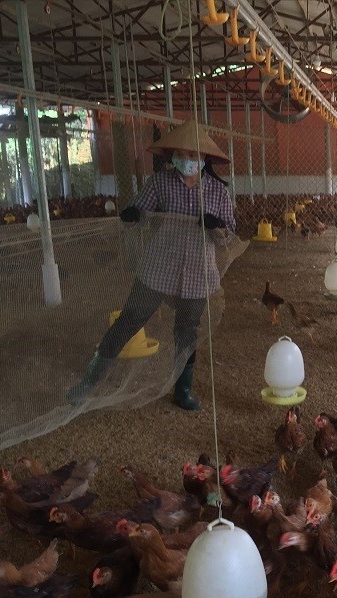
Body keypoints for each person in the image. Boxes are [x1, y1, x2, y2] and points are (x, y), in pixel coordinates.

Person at [66, 120, 235, 410]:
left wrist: (217, 226)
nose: (186, 160)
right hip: (159, 266)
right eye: (180, 155)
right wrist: (133, 214)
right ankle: (88, 383)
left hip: (197, 271)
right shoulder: (160, 182)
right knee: (130, 319)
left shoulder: (218, 193)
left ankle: (182, 391)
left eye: (192, 155)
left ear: (204, 158)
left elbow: (229, 235)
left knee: (188, 328)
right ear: (173, 157)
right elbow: (141, 211)